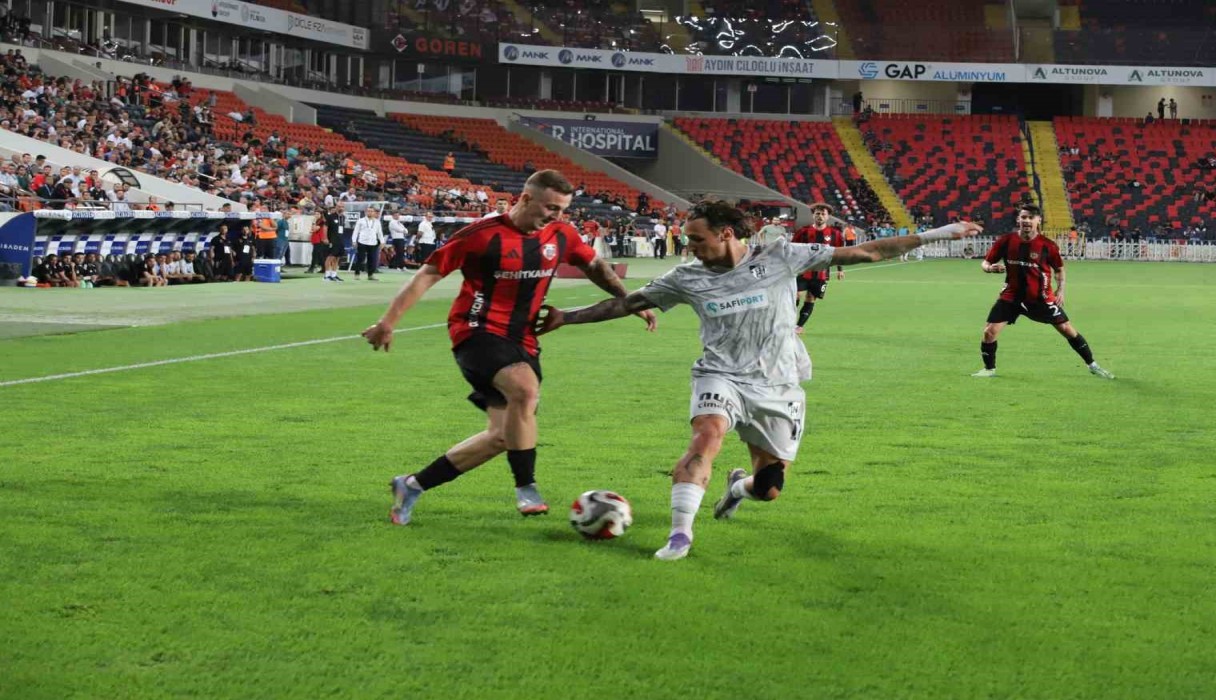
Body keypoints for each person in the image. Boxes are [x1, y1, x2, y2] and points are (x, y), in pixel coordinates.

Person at [533, 200, 982, 560]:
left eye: (697, 239)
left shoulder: (780, 256)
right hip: (720, 374)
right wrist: (566, 318)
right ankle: (679, 536)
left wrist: (939, 233)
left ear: (726, 234)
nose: (690, 247)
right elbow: (626, 304)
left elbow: (867, 252)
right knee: (706, 436)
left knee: (768, 490)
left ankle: (737, 488)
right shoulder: (685, 277)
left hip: (778, 383)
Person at [363, 170, 657, 523]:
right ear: (526, 198)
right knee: (524, 391)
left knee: (503, 436)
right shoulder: (481, 235)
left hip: (525, 337)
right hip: (475, 330)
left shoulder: (561, 234)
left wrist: (631, 302)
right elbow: (428, 273)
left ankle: (411, 485)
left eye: (562, 209)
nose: (556, 216)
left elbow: (595, 266)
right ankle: (526, 487)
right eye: (550, 207)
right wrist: (388, 322)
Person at [972, 204, 1114, 380]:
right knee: (989, 332)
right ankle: (989, 369)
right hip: (1011, 296)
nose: (1027, 221)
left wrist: (1061, 290)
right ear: (1018, 219)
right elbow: (985, 263)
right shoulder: (1006, 241)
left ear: (1038, 221)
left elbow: (1059, 270)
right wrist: (990, 269)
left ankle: (1092, 365)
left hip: (1040, 298)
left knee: (1066, 329)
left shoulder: (1047, 246)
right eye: (1023, 217)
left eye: (1031, 217)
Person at [790, 203, 844, 334]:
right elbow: (792, 248)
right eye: (817, 213)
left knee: (810, 298)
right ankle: (788, 322)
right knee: (795, 296)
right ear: (813, 215)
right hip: (803, 271)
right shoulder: (803, 231)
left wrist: (840, 269)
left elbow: (840, 252)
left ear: (828, 216)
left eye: (823, 214)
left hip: (821, 274)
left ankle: (799, 326)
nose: (820, 216)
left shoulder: (835, 234)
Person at [351, 206, 383, 281]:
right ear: (366, 212)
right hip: (362, 242)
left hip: (373, 242)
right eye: (368, 211)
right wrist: (354, 241)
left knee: (372, 259)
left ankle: (370, 275)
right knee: (360, 258)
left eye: (371, 211)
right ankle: (357, 274)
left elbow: (380, 233)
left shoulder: (377, 221)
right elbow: (356, 231)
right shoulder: (361, 220)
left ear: (374, 213)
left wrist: (382, 242)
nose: (370, 212)